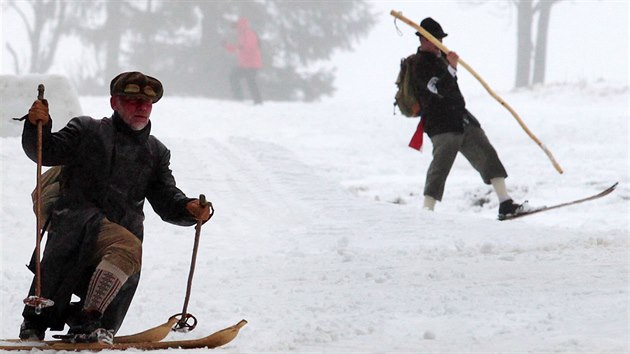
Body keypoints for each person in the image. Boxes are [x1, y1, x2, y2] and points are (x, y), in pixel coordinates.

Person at [19, 71, 213, 344]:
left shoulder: (156, 152)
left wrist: (188, 208)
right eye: (133, 101)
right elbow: (44, 151)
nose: (142, 107)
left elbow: (166, 198)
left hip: (121, 235)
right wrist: (37, 124)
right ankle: (62, 322)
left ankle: (87, 321)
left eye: (147, 103)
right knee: (125, 247)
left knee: (125, 250)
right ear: (114, 103)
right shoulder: (86, 130)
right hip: (75, 226)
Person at [409, 17, 525, 218]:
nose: (440, 43)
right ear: (425, 40)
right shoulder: (419, 64)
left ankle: (505, 203)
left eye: (441, 39)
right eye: (436, 39)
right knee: (440, 168)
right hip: (441, 126)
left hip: (462, 119)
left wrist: (449, 65)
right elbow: (438, 89)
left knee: (488, 155)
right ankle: (426, 212)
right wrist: (451, 68)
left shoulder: (441, 59)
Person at [223, 17, 263, 105]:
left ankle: (258, 101)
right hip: (245, 64)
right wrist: (226, 46)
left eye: (237, 26)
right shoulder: (241, 35)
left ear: (241, 26)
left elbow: (249, 46)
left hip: (252, 64)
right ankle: (238, 98)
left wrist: (242, 47)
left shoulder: (249, 34)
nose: (236, 28)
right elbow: (238, 48)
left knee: (250, 81)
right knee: (233, 76)